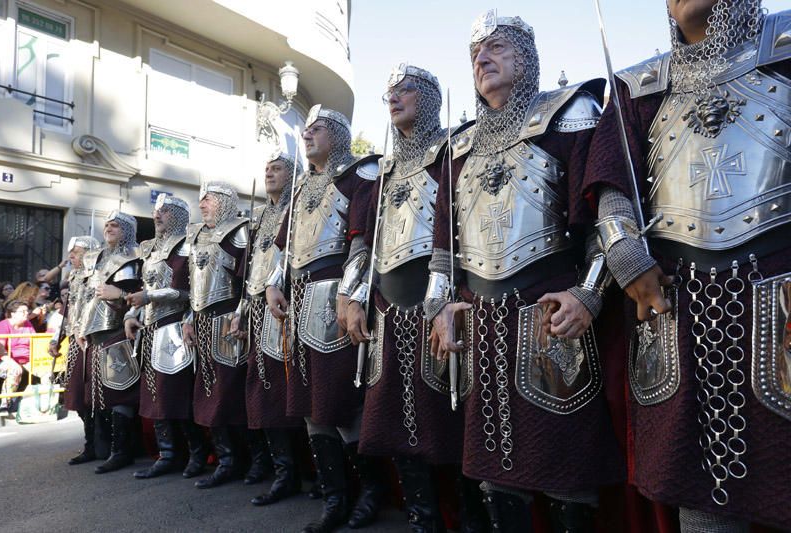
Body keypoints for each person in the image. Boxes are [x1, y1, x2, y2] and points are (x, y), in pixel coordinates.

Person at [583, 1, 791, 530]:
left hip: (779, 307)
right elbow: (613, 185)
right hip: (679, 311)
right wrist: (625, 254)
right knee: (699, 492)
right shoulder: (638, 87)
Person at [426, 11, 625, 532]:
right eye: (475, 54)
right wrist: (440, 307)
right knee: (495, 468)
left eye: (496, 48)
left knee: (565, 464)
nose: (482, 59)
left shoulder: (569, 113)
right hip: (483, 324)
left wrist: (590, 294)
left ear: (526, 56)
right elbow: (444, 250)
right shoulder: (459, 147)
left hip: (550, 316)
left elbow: (601, 216)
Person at [345, 63, 485, 532]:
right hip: (386, 305)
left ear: (428, 96)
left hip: (438, 301)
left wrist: (442, 299)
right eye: (389, 91)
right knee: (394, 419)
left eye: (405, 89)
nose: (393, 96)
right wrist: (351, 295)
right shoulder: (381, 170)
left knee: (451, 417)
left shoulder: (454, 148)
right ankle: (422, 515)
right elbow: (363, 242)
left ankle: (468, 516)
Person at [265, 105, 383, 532]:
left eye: (316, 129)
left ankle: (370, 492)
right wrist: (273, 284)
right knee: (312, 405)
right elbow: (283, 249)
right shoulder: (299, 192)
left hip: (337, 298)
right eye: (306, 131)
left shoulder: (360, 174)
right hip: (299, 303)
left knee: (343, 402)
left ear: (337, 133)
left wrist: (350, 293)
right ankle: (335, 498)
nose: (308, 135)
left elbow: (362, 241)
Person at [229, 153, 302, 506]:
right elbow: (248, 277)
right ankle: (281, 471)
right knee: (265, 392)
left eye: (278, 168)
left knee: (293, 393)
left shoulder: (300, 207)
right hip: (258, 310)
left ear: (293, 175)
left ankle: (307, 472)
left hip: (289, 307)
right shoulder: (258, 219)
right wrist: (242, 313)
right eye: (267, 169)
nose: (269, 173)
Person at [123, 193, 206, 480]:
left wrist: (149, 296)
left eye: (166, 211)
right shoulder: (148, 250)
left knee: (177, 395)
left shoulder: (187, 246)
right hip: (149, 330)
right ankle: (167, 454)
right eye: (156, 211)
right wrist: (130, 316)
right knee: (154, 395)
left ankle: (196, 454)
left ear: (180, 216)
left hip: (175, 326)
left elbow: (190, 292)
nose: (157, 216)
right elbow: (138, 287)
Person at [182, 181, 250, 489]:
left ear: (223, 200)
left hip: (228, 324)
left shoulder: (240, 230)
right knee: (209, 394)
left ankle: (249, 460)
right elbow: (191, 285)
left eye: (208, 198)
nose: (202, 203)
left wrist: (241, 315)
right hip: (201, 323)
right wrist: (187, 318)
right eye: (201, 199)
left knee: (231, 394)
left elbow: (248, 280)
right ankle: (226, 460)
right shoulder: (194, 233)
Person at [77, 211, 141, 474]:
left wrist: (122, 294)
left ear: (126, 230)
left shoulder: (133, 257)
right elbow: (89, 298)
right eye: (107, 225)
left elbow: (137, 295)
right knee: (99, 393)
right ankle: (101, 447)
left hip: (117, 330)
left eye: (115, 225)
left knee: (120, 393)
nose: (109, 229)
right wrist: (82, 327)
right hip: (95, 332)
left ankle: (121, 451)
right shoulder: (97, 258)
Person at [49, 235, 101, 465]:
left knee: (95, 398)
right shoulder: (73, 278)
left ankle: (104, 444)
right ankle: (90, 444)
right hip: (74, 345)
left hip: (94, 343)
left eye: (77, 252)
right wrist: (56, 339)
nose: (71, 256)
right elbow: (68, 313)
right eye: (72, 252)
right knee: (78, 398)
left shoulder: (98, 276)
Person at [0, 300, 36, 414]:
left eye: (27, 311)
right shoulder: (2, 326)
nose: (26, 313)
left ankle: (46, 402)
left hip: (27, 359)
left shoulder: (28, 324)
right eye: (23, 311)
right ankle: (5, 404)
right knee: (15, 370)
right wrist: (13, 363)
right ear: (13, 313)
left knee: (45, 370)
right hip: (2, 359)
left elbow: (35, 342)